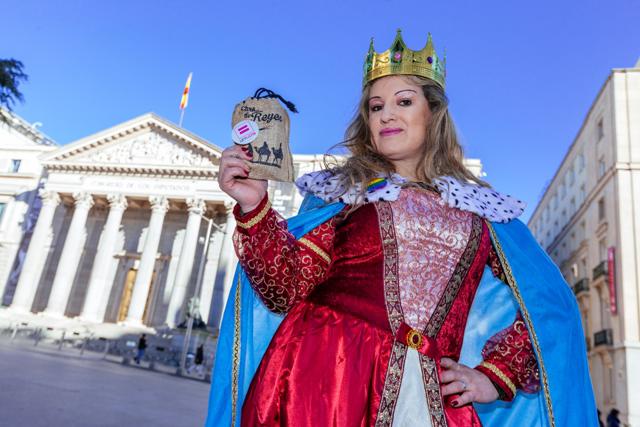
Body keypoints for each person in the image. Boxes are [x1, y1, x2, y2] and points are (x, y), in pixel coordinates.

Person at [207, 30, 597, 426]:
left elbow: (549, 307)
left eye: (404, 102)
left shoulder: (481, 211)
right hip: (324, 383)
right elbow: (286, 287)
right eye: (376, 107)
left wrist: (495, 376)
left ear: (434, 114)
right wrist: (254, 206)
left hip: (433, 399)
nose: (386, 114)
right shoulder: (344, 195)